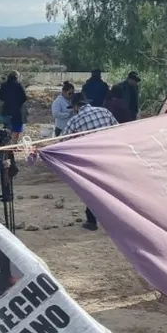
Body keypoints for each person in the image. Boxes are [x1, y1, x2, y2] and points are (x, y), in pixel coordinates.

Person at [62, 93, 120, 230]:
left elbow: (62, 141)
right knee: (111, 189)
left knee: (92, 190)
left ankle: (92, 220)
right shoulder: (104, 112)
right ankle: (116, 220)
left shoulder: (75, 121)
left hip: (91, 160)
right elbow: (118, 129)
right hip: (111, 157)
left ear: (76, 106)